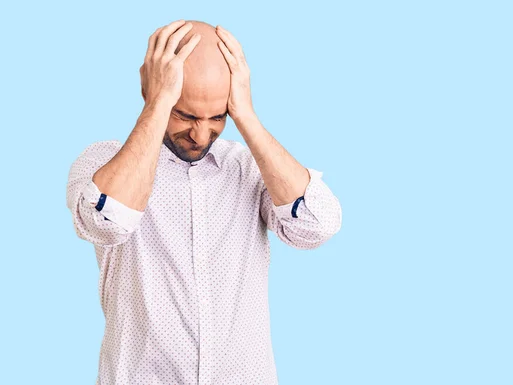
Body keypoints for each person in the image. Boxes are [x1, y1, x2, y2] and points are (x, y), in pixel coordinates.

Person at [66, 19, 342, 385]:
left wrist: (245, 116)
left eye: (217, 117)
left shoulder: (250, 168)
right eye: (185, 115)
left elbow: (315, 226)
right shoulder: (101, 162)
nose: (200, 134)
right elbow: (106, 222)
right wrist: (158, 101)